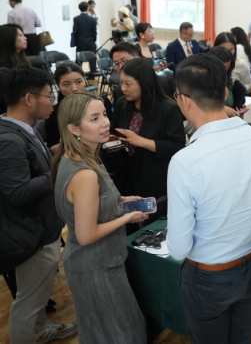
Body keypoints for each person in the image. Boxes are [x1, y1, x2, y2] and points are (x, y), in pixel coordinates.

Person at [167, 53, 251, 343]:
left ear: (183, 100)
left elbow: (178, 249)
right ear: (225, 93)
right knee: (242, 336)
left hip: (210, 277)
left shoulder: (185, 161)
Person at [51, 92, 147, 343]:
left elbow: (87, 203)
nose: (105, 122)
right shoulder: (84, 173)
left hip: (96, 263)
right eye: (94, 118)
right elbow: (86, 235)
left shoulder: (82, 157)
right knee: (121, 334)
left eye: (104, 114)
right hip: (96, 268)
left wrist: (120, 200)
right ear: (74, 128)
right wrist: (127, 217)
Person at [0, 66, 79, 343]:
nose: (53, 103)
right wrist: (57, 169)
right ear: (29, 99)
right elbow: (17, 192)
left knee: (38, 294)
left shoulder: (23, 130)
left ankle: (40, 330)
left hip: (42, 226)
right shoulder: (10, 139)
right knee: (29, 300)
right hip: (33, 231)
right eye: (49, 96)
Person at [108, 59, 185, 227]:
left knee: (152, 225)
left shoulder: (168, 109)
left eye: (128, 84)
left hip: (153, 178)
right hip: (126, 176)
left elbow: (177, 146)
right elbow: (114, 131)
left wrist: (141, 142)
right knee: (129, 224)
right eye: (121, 83)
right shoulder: (121, 104)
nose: (123, 89)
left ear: (144, 82)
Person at [46, 62, 114, 150]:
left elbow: (113, 130)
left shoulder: (101, 102)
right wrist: (81, 141)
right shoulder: (53, 112)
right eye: (67, 84)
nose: (74, 88)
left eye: (79, 82)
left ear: (84, 81)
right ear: (58, 86)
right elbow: (52, 147)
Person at [208, 46, 246, 117]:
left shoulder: (227, 80)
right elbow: (200, 105)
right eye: (223, 67)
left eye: (227, 67)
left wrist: (238, 108)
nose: (224, 70)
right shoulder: (203, 82)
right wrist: (222, 109)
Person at [73, 1, 98, 73]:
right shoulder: (92, 19)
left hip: (80, 42)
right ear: (87, 8)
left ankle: (77, 74)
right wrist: (93, 40)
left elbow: (75, 30)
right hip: (90, 42)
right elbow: (94, 32)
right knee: (92, 60)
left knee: (79, 60)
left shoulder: (76, 19)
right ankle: (93, 75)